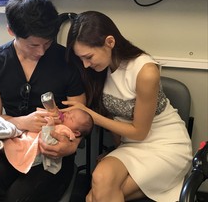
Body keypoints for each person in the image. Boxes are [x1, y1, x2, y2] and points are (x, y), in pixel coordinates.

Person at [0, 0, 86, 202]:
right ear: (11, 31)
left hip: (52, 153)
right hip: (11, 146)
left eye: (47, 44)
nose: (41, 51)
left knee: (18, 198)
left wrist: (71, 146)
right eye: (33, 45)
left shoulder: (68, 61)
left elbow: (80, 117)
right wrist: (23, 122)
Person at [63, 11, 192, 202]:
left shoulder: (145, 71)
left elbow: (139, 132)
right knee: (99, 178)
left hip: (166, 146)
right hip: (129, 146)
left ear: (110, 42)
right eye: (81, 58)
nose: (85, 64)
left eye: (88, 57)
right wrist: (116, 151)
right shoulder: (100, 70)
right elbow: (116, 118)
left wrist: (89, 114)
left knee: (94, 198)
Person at [4, 108, 93, 174]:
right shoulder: (59, 122)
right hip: (24, 133)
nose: (67, 115)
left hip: (39, 155)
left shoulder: (65, 131)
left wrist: (49, 126)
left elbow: (50, 142)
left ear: (76, 133)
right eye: (69, 112)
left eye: (71, 119)